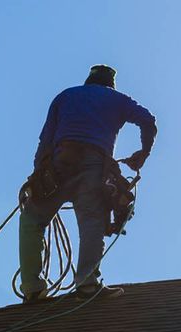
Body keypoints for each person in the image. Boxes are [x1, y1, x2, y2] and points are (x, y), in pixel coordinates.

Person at [19, 65, 157, 303]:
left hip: (59, 164)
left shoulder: (66, 96)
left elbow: (46, 139)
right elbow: (148, 120)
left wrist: (37, 175)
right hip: (94, 166)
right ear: (110, 84)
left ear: (88, 81)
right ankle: (87, 284)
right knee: (92, 222)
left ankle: (32, 287)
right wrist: (143, 153)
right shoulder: (117, 100)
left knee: (31, 219)